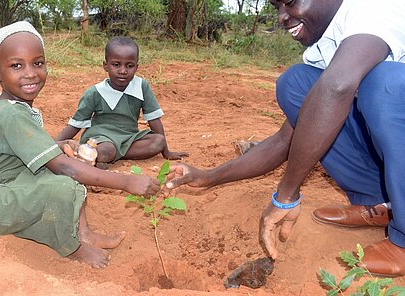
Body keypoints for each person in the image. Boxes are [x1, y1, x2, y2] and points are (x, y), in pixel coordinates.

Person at [166, 0, 405, 276]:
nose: (281, 17)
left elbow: (338, 86)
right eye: (276, 6)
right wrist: (208, 176)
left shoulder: (375, 9)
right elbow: (287, 140)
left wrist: (286, 195)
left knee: (385, 86)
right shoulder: (326, 48)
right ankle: (380, 203)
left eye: (290, 2)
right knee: (297, 84)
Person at [0, 21, 160, 269]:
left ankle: (84, 233)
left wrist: (65, 143)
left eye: (38, 63)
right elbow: (67, 169)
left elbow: (33, 147)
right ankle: (72, 247)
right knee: (65, 183)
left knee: (66, 169)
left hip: (6, 187)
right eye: (16, 65)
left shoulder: (12, 106)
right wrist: (127, 182)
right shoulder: (11, 114)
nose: (30, 73)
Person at [55, 36, 188, 165]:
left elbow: (153, 119)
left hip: (129, 137)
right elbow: (76, 124)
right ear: (105, 66)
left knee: (158, 141)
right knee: (107, 149)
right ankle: (100, 155)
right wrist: (53, 145)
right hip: (101, 138)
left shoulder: (142, 86)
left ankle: (100, 157)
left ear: (136, 67)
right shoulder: (95, 93)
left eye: (129, 66)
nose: (123, 71)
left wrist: (166, 151)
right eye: (116, 65)